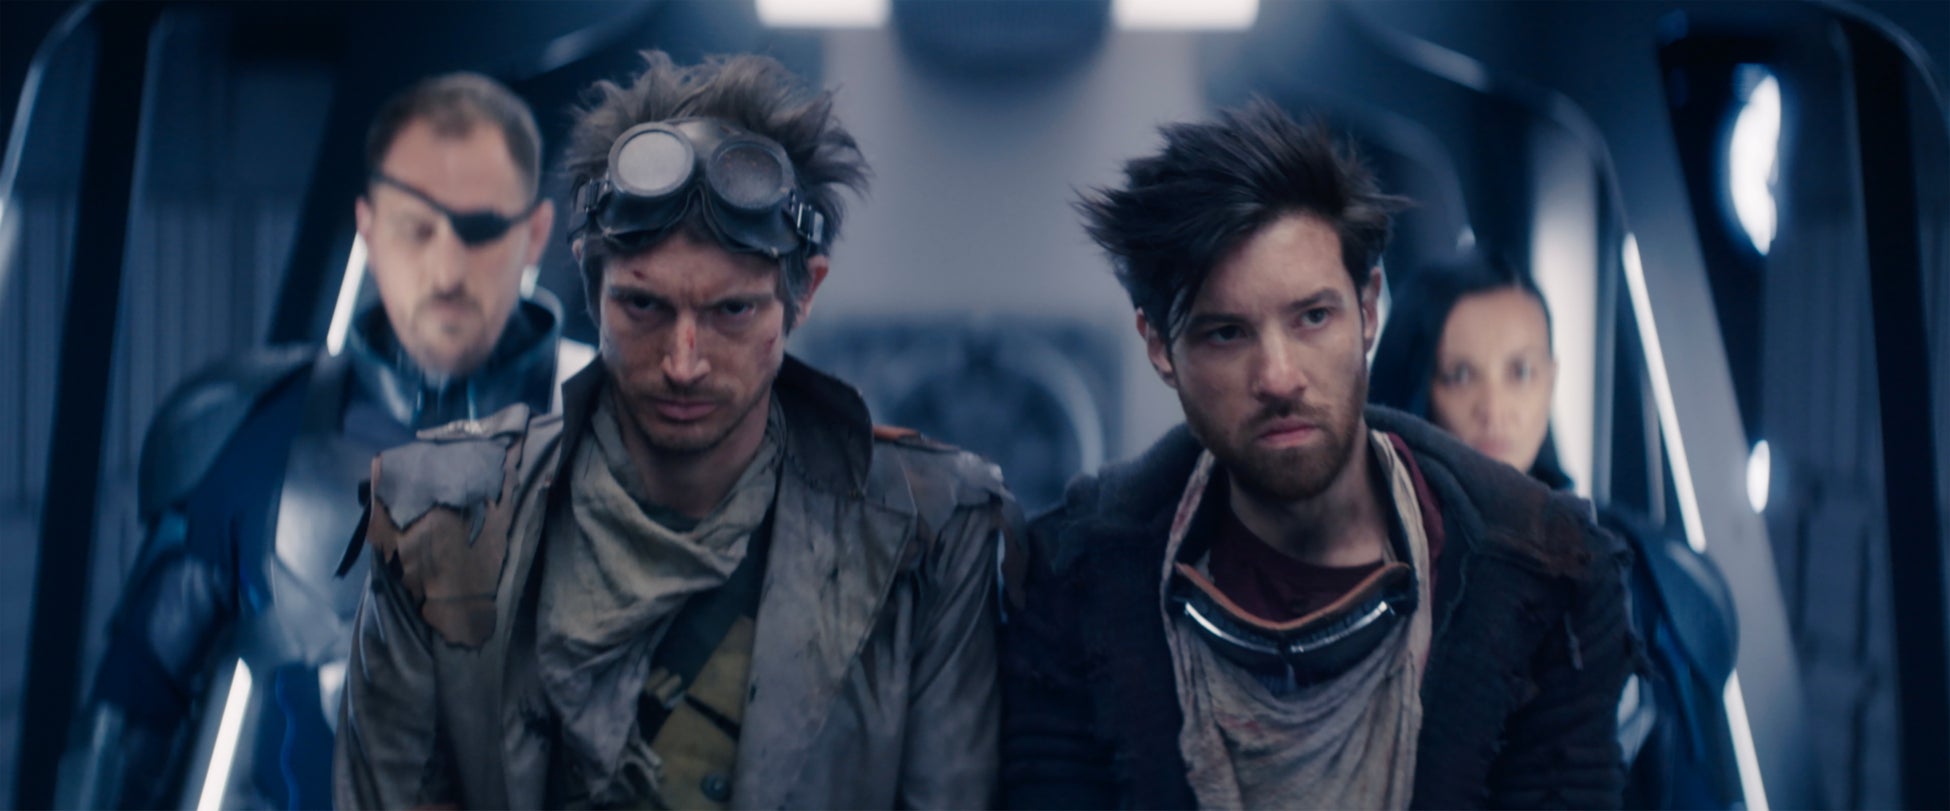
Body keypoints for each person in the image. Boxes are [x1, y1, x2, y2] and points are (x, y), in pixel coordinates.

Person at [333, 51, 1017, 810]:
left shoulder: (928, 532)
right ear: (591, 283)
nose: (684, 363)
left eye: (732, 311)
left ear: (804, 293)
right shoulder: (440, 520)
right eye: (644, 306)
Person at [999, 101, 1634, 809]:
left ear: (1368, 310)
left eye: (1312, 317)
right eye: (1226, 333)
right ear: (1159, 347)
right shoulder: (1075, 577)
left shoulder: (1545, 569)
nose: (1279, 377)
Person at [74, 72, 589, 810]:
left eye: (479, 229)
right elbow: (127, 719)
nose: (447, 269)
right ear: (368, 228)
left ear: (534, 234)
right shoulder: (249, 433)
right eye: (416, 226)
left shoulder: (628, 431)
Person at [1368, 253, 1743, 809]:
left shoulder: (1638, 572)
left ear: (1551, 378)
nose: (1495, 409)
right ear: (1418, 380)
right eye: (1461, 375)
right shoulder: (1361, 563)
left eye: (1520, 372)